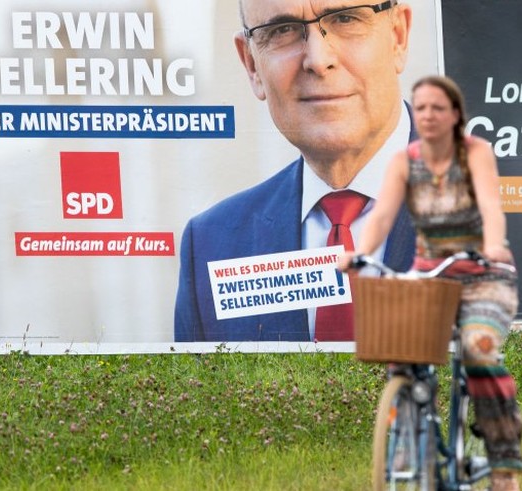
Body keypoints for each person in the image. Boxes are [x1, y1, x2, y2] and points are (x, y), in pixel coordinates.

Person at [174, 0, 418, 341]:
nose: (318, 60)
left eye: (345, 18)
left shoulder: (501, 207)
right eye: (282, 30)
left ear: (398, 37)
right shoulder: (213, 245)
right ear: (252, 65)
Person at [339, 75, 522, 491]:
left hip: (483, 274)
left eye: (437, 108)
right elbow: (382, 217)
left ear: (456, 114)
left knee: (479, 351)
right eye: (420, 108)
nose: (427, 115)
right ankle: (407, 436)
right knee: (401, 350)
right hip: (431, 275)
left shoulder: (475, 153)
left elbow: (491, 206)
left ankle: (503, 462)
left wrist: (492, 245)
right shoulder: (404, 161)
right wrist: (359, 252)